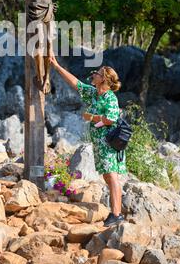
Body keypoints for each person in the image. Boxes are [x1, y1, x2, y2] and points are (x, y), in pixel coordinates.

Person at [49, 54, 126, 227]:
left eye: (97, 74)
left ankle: (116, 214)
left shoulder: (110, 97)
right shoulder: (94, 93)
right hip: (100, 144)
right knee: (108, 176)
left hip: (109, 144)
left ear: (104, 79)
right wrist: (56, 65)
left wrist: (90, 117)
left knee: (112, 177)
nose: (93, 75)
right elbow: (76, 83)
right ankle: (116, 213)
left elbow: (111, 118)